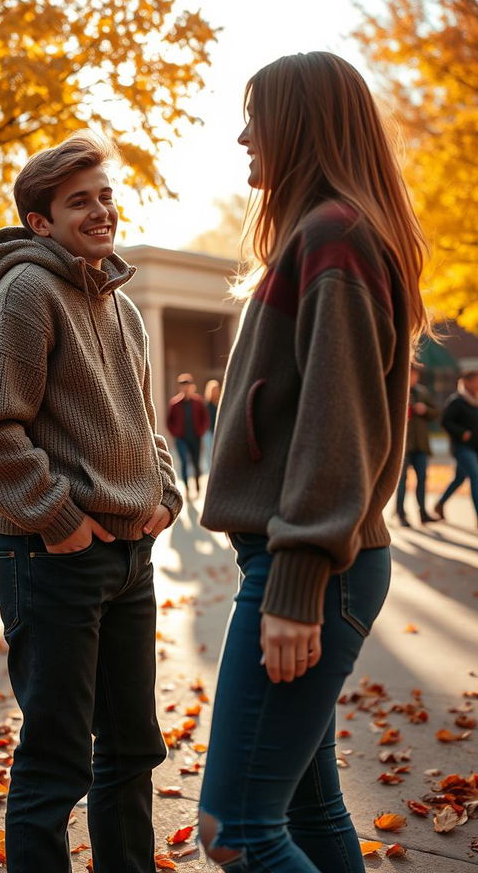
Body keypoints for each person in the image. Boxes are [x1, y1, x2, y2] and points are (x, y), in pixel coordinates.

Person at [198, 51, 429, 873]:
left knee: (235, 833)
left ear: (300, 124)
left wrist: (295, 581)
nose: (242, 137)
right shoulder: (322, 233)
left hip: (312, 569)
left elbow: (341, 426)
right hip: (311, 561)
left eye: (255, 118)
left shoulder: (336, 235)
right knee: (305, 805)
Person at [0, 130, 182, 873]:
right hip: (52, 559)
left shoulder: (123, 307)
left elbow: (145, 425)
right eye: (79, 201)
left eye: (106, 195)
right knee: (57, 763)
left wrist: (165, 493)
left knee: (130, 750)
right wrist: (58, 519)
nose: (101, 210)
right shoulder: (26, 295)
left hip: (129, 558)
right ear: (40, 222)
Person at [434, 370, 478, 528]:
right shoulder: (457, 401)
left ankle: (440, 504)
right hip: (462, 448)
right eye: (476, 381)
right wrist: (462, 433)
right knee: (475, 477)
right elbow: (445, 421)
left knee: (459, 479)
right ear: (467, 382)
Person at [395, 362, 439, 526]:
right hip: (404, 446)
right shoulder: (398, 391)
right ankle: (401, 514)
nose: (413, 378)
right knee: (402, 481)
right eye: (411, 374)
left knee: (422, 479)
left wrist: (425, 410)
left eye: (415, 375)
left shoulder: (422, 392)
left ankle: (423, 512)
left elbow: (435, 413)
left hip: (420, 445)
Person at [166, 373, 210, 498]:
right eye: (183, 386)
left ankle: (197, 486)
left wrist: (201, 431)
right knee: (184, 462)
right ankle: (186, 489)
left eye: (187, 385)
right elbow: (169, 422)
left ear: (192, 386)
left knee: (196, 463)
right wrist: (175, 433)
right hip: (181, 439)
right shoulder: (174, 403)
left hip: (195, 438)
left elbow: (205, 419)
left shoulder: (198, 402)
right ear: (180, 388)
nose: (185, 388)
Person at [203, 378, 222, 471]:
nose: (215, 392)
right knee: (209, 453)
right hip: (208, 432)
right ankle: (211, 471)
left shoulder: (221, 404)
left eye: (217, 389)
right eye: (213, 390)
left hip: (219, 431)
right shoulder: (206, 405)